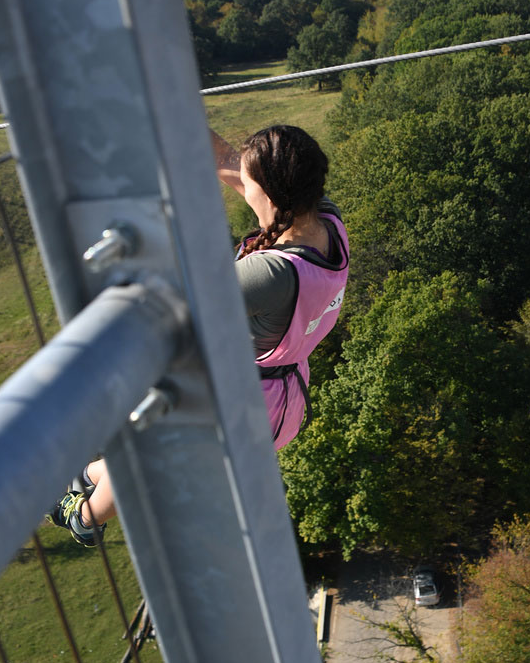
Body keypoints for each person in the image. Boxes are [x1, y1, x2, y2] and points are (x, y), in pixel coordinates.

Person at [49, 123, 349, 547]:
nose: (243, 190)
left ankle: (84, 516)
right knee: (143, 450)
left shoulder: (270, 274)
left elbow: (174, 312)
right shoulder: (326, 221)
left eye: (249, 186)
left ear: (271, 193)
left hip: (235, 407)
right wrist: (165, 110)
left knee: (151, 454)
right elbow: (228, 163)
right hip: (282, 399)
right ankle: (88, 477)